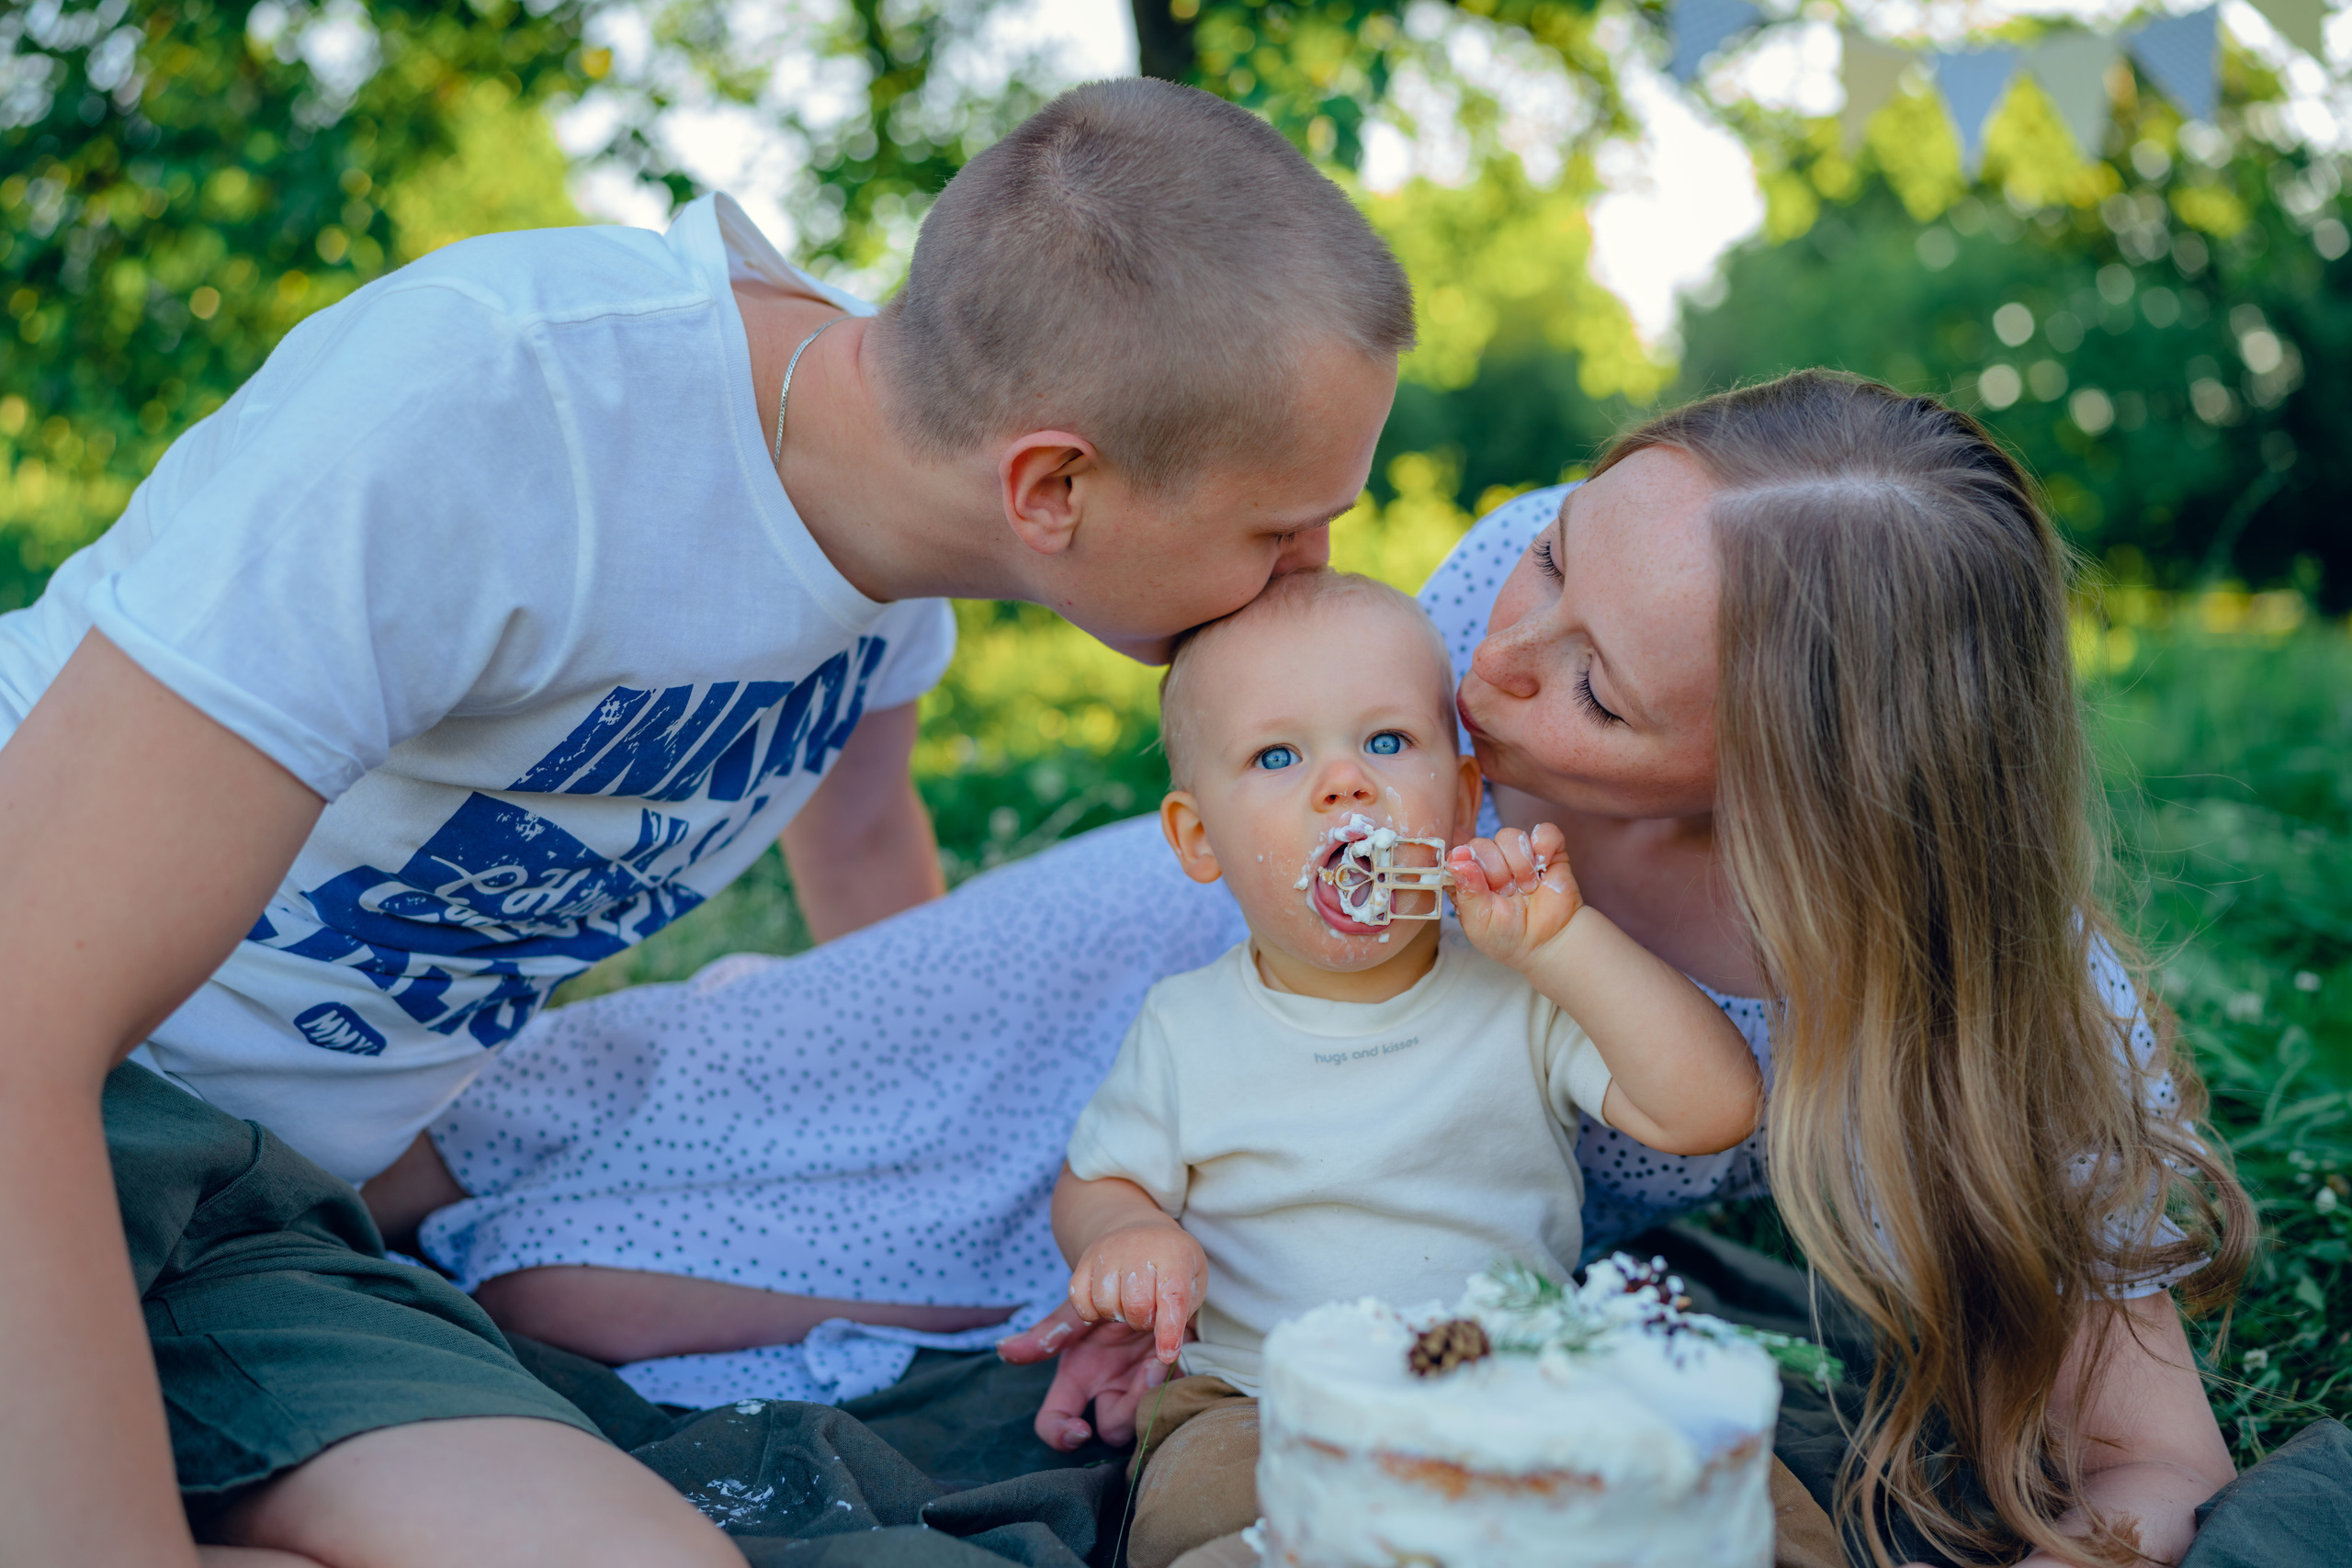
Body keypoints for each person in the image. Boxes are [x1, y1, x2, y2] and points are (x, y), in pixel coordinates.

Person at [416, 370, 2253, 1568]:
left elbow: (2148, 1443)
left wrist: (2119, 1526)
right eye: (1551, 554)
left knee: (622, 1300)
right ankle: (346, 1161)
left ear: (1793, 791)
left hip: (1370, 1205)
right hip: (1189, 959)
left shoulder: (1978, 990)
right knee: (620, 1171)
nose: (1493, 661)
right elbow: (1263, 714)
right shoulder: (1501, 609)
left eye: (1594, 687)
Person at [0, 78, 1414, 1564]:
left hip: (257, 1210)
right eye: (1281, 527)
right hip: (65, 1087)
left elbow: (867, 872)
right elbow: (24, 1016)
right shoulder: (500, 411)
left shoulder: (898, 536)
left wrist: (961, 1199)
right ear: (1052, 483)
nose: (1316, 569)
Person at [1050, 569, 1763, 1566]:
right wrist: (1125, 1231)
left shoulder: (1519, 992)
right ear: (1199, 836)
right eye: (1277, 754)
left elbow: (1714, 1107)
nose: (1345, 782)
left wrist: (1563, 946)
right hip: (1263, 1397)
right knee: (1204, 1513)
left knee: (1711, 1484)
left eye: (1386, 741)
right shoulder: (1186, 1028)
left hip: (1518, 1378)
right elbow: (1099, 1177)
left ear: (1463, 803)